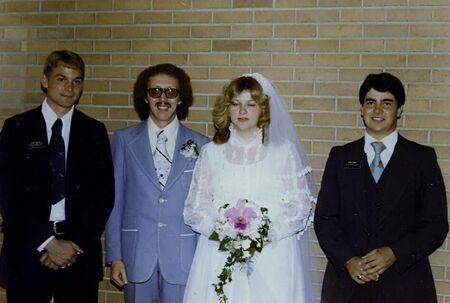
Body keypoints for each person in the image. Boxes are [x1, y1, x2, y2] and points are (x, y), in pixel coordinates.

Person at [314, 72, 448, 303]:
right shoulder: (341, 157)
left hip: (405, 285)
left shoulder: (421, 158)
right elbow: (325, 219)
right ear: (361, 109)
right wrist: (348, 260)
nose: (377, 110)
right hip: (348, 285)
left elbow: (436, 225)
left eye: (387, 103)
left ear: (400, 109)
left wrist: (394, 254)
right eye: (370, 103)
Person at [182, 73, 316, 302]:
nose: (242, 111)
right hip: (220, 253)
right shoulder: (211, 153)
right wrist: (223, 233)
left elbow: (299, 206)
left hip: (272, 256)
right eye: (236, 104)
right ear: (227, 109)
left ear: (262, 109)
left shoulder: (283, 152)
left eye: (250, 104)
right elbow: (194, 208)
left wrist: (268, 234)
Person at [0, 50, 115, 302]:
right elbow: (9, 195)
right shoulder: (16, 128)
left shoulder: (94, 132)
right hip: (28, 250)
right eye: (61, 79)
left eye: (76, 80)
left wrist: (71, 245)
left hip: (78, 253)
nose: (69, 87)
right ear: (45, 81)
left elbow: (104, 195)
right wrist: (48, 242)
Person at [105, 63, 209, 303]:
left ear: (181, 98)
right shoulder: (123, 140)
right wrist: (115, 256)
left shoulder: (202, 145)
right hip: (136, 255)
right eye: (155, 91)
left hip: (184, 257)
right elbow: (115, 201)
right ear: (145, 96)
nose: (163, 98)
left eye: (171, 92)